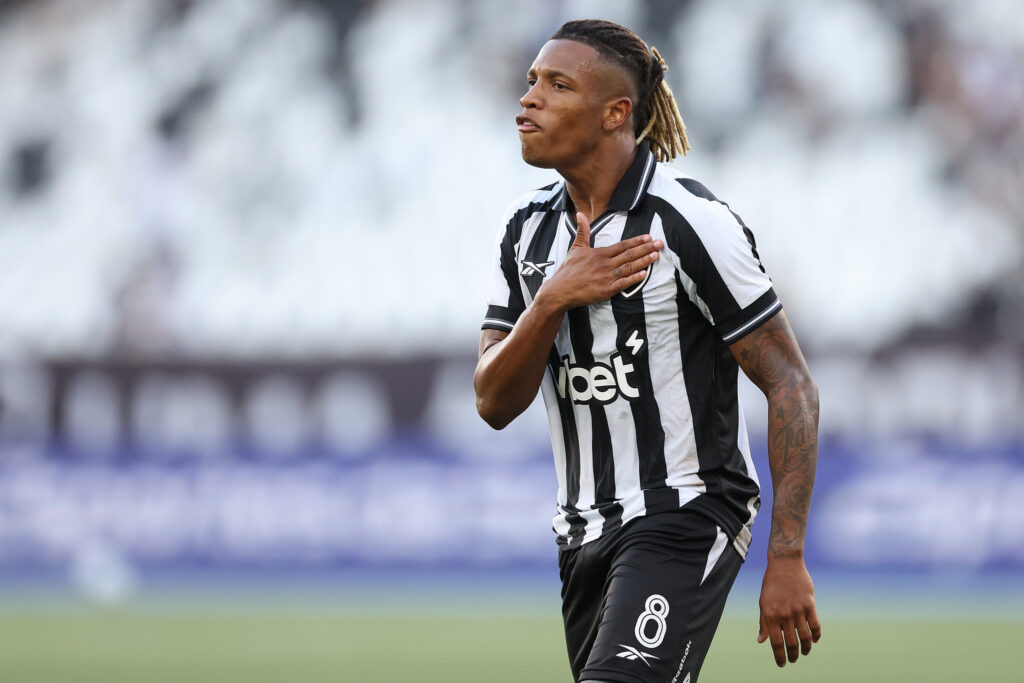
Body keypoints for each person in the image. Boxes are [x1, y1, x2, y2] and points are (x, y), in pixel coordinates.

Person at [474, 19, 821, 683]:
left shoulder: (691, 223)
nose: (529, 97)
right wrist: (551, 300)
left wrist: (787, 554)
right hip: (581, 531)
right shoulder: (523, 230)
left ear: (616, 113)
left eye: (557, 84)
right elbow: (492, 401)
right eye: (531, 81)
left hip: (686, 510)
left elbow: (791, 384)